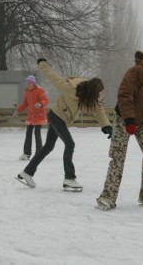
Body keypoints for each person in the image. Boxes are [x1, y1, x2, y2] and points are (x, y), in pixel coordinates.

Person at [96, 40, 143, 211]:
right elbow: (125, 95)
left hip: (142, 120)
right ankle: (108, 196)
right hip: (124, 117)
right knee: (118, 154)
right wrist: (129, 120)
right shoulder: (137, 71)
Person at [15, 59, 112, 191]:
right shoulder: (70, 88)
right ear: (91, 91)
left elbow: (98, 109)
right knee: (70, 144)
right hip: (55, 116)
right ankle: (69, 178)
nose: (98, 96)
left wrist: (106, 125)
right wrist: (42, 64)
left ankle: (27, 173)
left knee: (48, 147)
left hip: (60, 117)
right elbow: (52, 76)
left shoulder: (88, 97)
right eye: (97, 93)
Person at [14, 75, 49, 160]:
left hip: (39, 115)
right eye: (27, 82)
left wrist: (40, 104)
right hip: (31, 116)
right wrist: (17, 110)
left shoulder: (39, 90)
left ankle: (39, 153)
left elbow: (45, 100)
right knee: (28, 133)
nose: (28, 84)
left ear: (33, 83)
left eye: (29, 82)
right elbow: (25, 104)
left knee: (37, 133)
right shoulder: (27, 92)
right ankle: (27, 153)